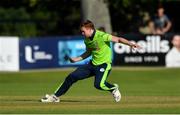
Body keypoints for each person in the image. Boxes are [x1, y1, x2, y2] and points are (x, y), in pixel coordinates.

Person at [41, 20, 141, 103]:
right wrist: (76, 59)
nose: (82, 33)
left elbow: (118, 39)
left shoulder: (102, 36)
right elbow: (88, 52)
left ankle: (113, 88)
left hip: (104, 65)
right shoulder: (87, 40)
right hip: (92, 64)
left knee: (99, 85)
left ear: (90, 29)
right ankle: (55, 97)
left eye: (83, 31)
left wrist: (130, 44)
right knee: (71, 77)